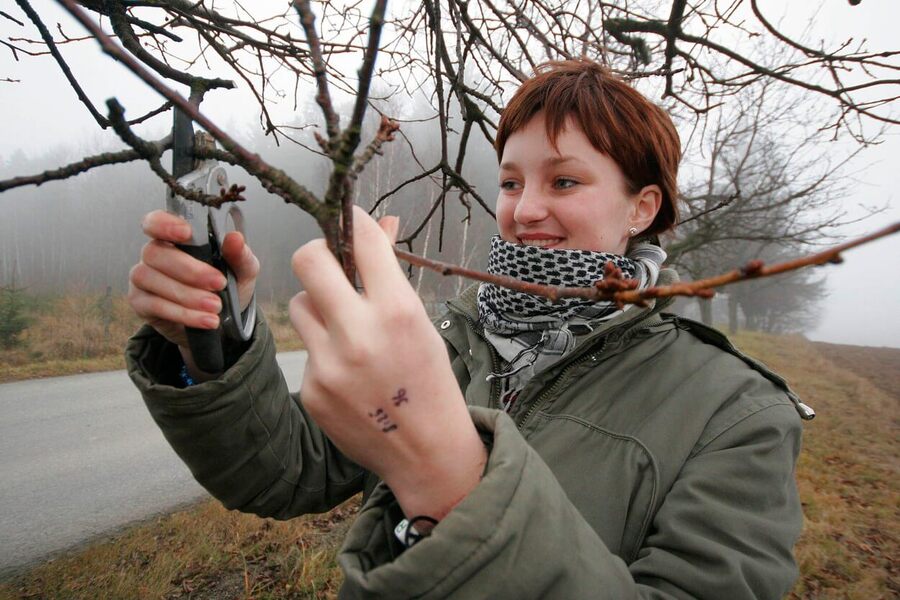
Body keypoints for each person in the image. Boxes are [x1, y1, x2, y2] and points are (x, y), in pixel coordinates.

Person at [126, 59, 807, 599]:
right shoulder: (454, 339)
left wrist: (449, 484)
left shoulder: (734, 413)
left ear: (642, 207)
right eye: (510, 183)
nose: (525, 208)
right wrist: (214, 344)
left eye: (564, 182)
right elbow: (284, 473)